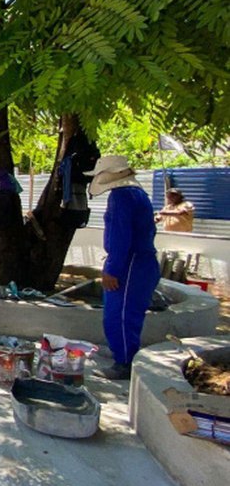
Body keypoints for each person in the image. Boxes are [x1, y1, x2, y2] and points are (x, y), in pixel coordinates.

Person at [85, 155, 159, 380]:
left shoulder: (121, 197)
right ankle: (120, 350)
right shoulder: (137, 193)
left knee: (121, 316)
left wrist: (112, 269)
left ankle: (124, 362)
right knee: (121, 312)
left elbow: (120, 237)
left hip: (130, 263)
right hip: (141, 261)